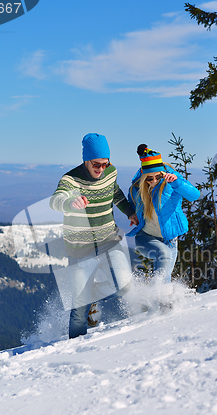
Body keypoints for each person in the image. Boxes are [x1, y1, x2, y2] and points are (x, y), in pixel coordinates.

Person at [49, 133, 138, 339]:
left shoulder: (110, 172)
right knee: (79, 311)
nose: (100, 169)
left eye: (105, 164)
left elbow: (115, 192)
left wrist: (129, 212)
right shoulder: (71, 179)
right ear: (86, 160)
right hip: (80, 248)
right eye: (96, 164)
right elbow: (55, 200)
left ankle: (94, 297)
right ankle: (76, 351)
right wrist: (70, 203)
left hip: (109, 239)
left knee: (124, 287)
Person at [127, 144, 200, 304]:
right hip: (145, 237)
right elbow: (130, 204)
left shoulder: (172, 184)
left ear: (163, 174)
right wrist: (131, 214)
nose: (153, 181)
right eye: (149, 179)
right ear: (144, 178)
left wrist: (177, 183)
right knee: (164, 257)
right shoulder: (137, 189)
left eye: (157, 177)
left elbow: (195, 195)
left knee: (165, 276)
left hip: (169, 239)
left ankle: (159, 308)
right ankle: (158, 299)